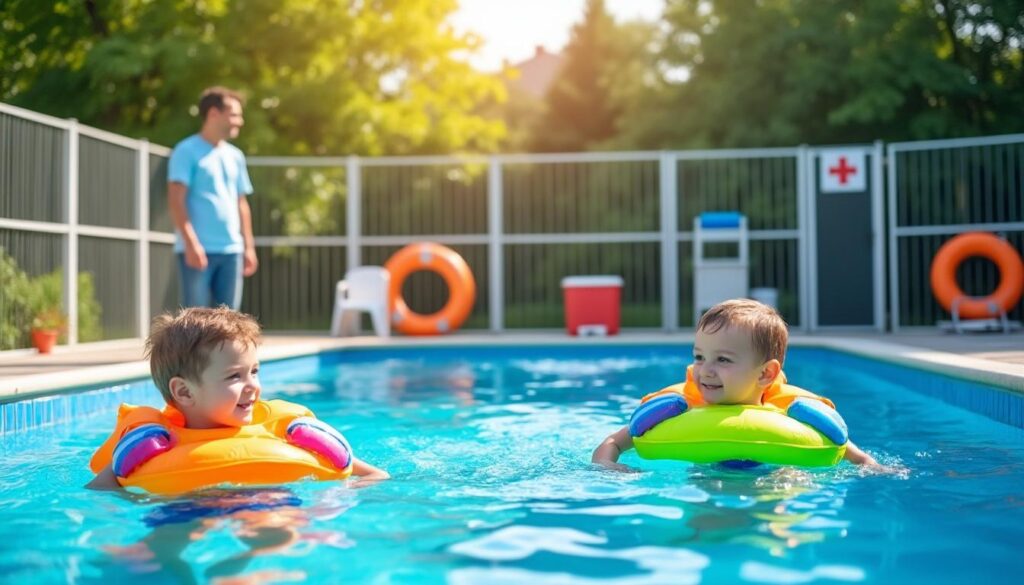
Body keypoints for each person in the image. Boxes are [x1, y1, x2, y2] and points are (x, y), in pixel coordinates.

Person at [87, 306, 390, 490]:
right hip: (184, 507)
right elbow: (100, 490)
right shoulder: (153, 446)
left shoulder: (279, 435)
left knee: (276, 525)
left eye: (254, 372)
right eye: (235, 376)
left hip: (262, 503)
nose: (253, 387)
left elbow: (373, 474)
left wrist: (338, 495)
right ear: (184, 391)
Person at [592, 298, 880, 470]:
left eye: (723, 360)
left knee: (787, 480)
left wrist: (872, 467)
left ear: (766, 374)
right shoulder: (684, 406)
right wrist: (608, 466)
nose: (705, 370)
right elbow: (613, 442)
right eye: (700, 357)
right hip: (705, 479)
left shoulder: (788, 411)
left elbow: (852, 453)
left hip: (772, 474)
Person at [168, 86, 258, 310]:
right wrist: (191, 244)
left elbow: (241, 204)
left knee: (229, 325)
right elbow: (176, 200)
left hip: (232, 251)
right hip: (199, 250)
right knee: (195, 324)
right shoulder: (185, 151)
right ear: (213, 114)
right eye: (234, 115)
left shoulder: (235, 156)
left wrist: (248, 247)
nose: (240, 121)